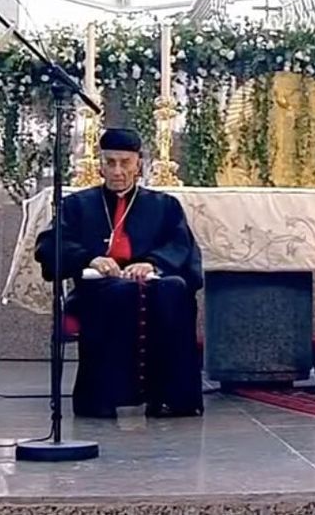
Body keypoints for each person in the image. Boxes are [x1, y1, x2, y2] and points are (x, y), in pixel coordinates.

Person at [36, 128, 204, 418]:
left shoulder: (164, 206)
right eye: (110, 162)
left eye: (125, 163)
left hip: (153, 283)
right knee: (119, 291)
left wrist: (152, 263)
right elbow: (51, 244)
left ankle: (171, 397)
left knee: (173, 288)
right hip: (100, 288)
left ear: (139, 164)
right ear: (100, 164)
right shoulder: (77, 205)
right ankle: (103, 397)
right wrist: (90, 258)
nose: (117, 171)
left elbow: (181, 246)